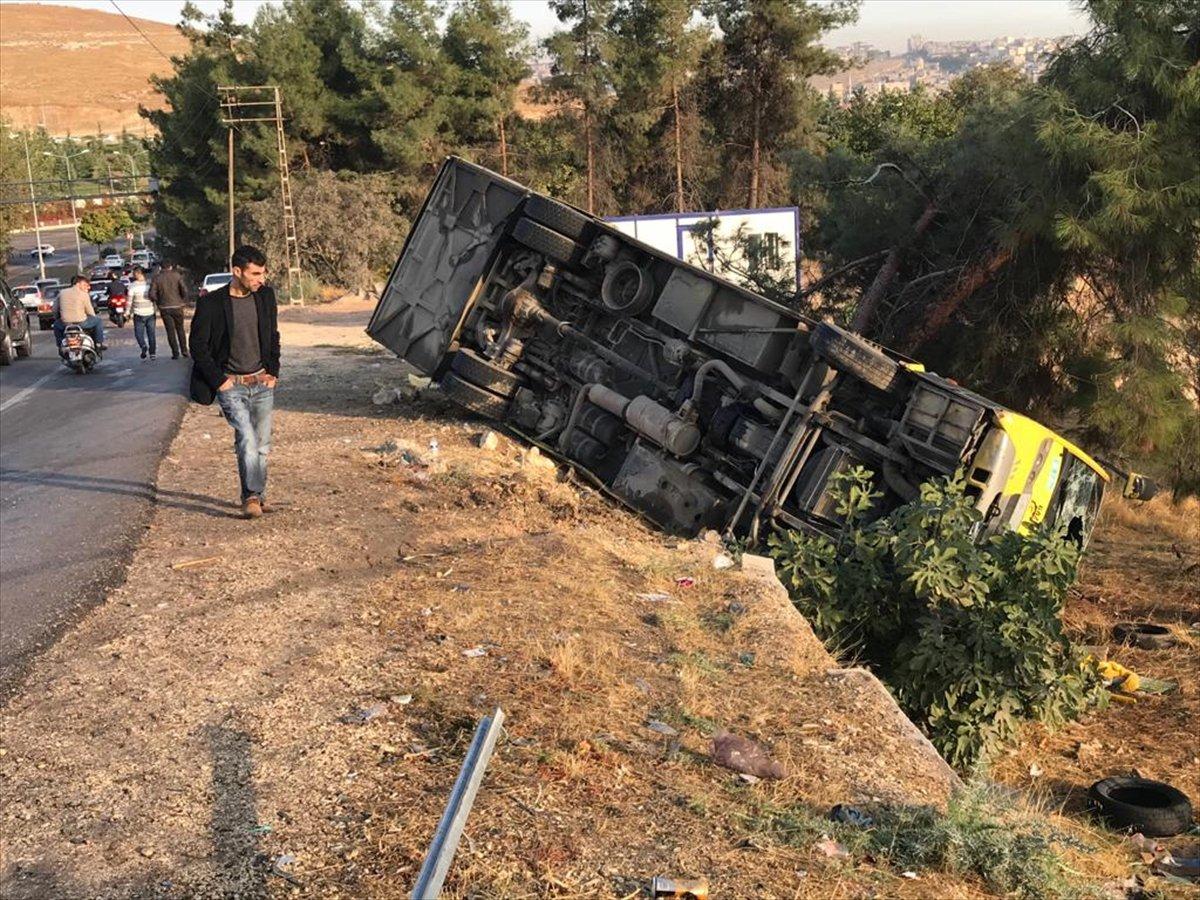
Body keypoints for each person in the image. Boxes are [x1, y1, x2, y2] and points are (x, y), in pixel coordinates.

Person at [189, 245, 280, 520]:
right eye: (255, 274)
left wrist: (273, 372)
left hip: (262, 382)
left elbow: (272, 335)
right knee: (247, 438)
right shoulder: (211, 303)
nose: (260, 279)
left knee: (262, 444)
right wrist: (219, 381)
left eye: (263, 273)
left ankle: (258, 496)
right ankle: (251, 495)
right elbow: (197, 345)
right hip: (231, 384)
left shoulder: (265, 296)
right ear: (237, 271)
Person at [53, 275, 107, 350]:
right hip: (82, 322)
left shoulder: (62, 293)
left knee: (56, 325)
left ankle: (60, 345)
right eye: (84, 285)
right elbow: (90, 311)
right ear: (77, 284)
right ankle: (98, 343)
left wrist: (57, 318)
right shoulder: (84, 294)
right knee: (98, 321)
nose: (87, 287)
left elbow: (55, 309)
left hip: (65, 323)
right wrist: (93, 317)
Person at [149, 261, 189, 359]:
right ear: (170, 266)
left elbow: (152, 294)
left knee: (170, 331)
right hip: (178, 306)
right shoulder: (177, 276)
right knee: (180, 329)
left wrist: (158, 302)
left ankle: (175, 353)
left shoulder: (157, 278)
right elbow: (184, 290)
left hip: (164, 308)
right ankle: (184, 351)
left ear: (161, 268)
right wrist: (182, 300)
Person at [128, 266, 157, 360]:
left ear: (137, 274)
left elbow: (129, 302)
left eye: (134, 273)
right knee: (151, 334)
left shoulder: (132, 286)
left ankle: (143, 346)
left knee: (138, 334)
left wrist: (127, 312)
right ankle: (152, 354)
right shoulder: (150, 284)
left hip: (138, 313)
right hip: (150, 312)